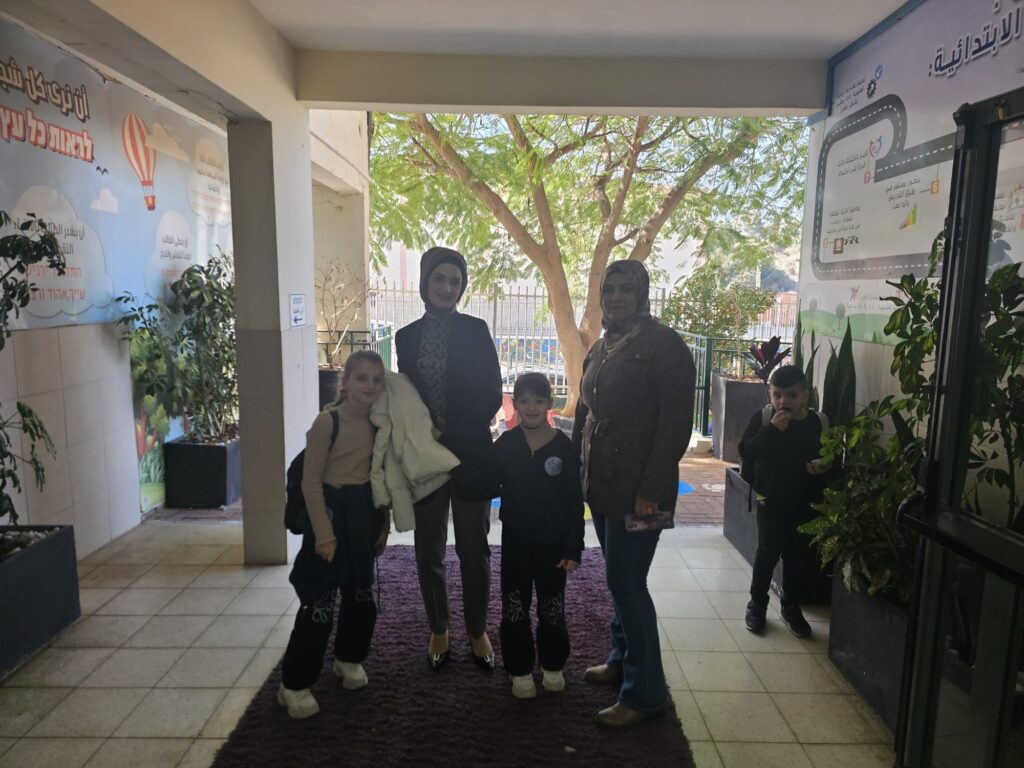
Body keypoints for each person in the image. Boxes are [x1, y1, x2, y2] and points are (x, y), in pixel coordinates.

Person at [572, 260, 696, 729]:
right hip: (604, 483)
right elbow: (584, 412)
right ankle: (622, 658)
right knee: (619, 580)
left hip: (642, 490)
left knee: (628, 584)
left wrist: (650, 489)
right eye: (610, 289)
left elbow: (675, 424)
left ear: (643, 294)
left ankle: (645, 695)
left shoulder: (665, 346)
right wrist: (576, 472)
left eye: (627, 289)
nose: (617, 297)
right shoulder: (603, 344)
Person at [395, 247, 503, 671]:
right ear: (425, 282)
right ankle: (438, 627)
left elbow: (491, 394)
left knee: (474, 549)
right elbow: (406, 397)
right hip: (425, 457)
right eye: (439, 279)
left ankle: (477, 630)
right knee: (429, 549)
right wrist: (425, 434)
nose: (446, 288)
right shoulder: (406, 337)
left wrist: (447, 431)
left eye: (455, 282)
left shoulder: (476, 330)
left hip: (471, 454)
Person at [278, 350, 390, 719]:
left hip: (362, 514)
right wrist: (324, 536)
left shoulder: (379, 424)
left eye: (377, 379)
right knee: (320, 604)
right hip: (328, 516)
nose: (369, 386)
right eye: (361, 378)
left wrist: (382, 524)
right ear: (345, 383)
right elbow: (310, 482)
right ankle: (294, 684)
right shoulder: (327, 423)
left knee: (361, 595)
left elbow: (380, 479)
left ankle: (348, 658)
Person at [459, 373, 585, 699]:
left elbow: (574, 501)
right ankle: (519, 668)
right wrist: (458, 464)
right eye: (525, 401)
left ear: (550, 404)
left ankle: (553, 664)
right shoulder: (506, 445)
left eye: (538, 401)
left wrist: (573, 546)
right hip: (516, 542)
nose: (531, 408)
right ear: (514, 404)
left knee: (552, 605)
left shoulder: (563, 447)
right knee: (514, 605)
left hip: (553, 545)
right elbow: (486, 482)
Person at [738, 365, 829, 639]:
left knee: (797, 557)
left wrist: (825, 467)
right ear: (770, 394)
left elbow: (830, 456)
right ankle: (757, 603)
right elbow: (747, 450)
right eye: (777, 395)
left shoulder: (817, 423)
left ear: (804, 396)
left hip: (804, 503)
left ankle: (791, 605)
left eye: (791, 395)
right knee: (766, 554)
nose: (783, 401)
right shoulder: (764, 419)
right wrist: (772, 431)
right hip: (771, 502)